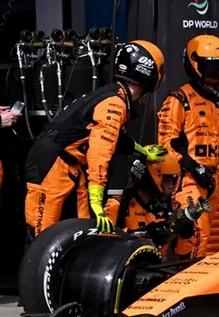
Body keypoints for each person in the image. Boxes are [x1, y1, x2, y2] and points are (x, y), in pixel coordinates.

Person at [25, 40, 167, 237]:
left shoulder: (113, 94)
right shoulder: (114, 103)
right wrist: (96, 200)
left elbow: (116, 137)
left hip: (68, 165)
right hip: (52, 163)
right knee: (42, 234)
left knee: (82, 231)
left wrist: (142, 151)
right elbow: (100, 153)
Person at [158, 34, 219, 258]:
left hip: (212, 180)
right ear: (195, 64)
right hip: (186, 179)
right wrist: (194, 168)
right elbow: (166, 145)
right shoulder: (179, 99)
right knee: (197, 232)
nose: (215, 74)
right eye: (210, 66)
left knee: (196, 240)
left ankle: (180, 279)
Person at [118, 151, 211, 254]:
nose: (172, 185)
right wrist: (149, 233)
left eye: (174, 179)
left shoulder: (171, 205)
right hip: (128, 266)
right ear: (150, 176)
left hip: (159, 266)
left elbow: (183, 250)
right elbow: (107, 242)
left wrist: (186, 230)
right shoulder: (120, 204)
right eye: (167, 178)